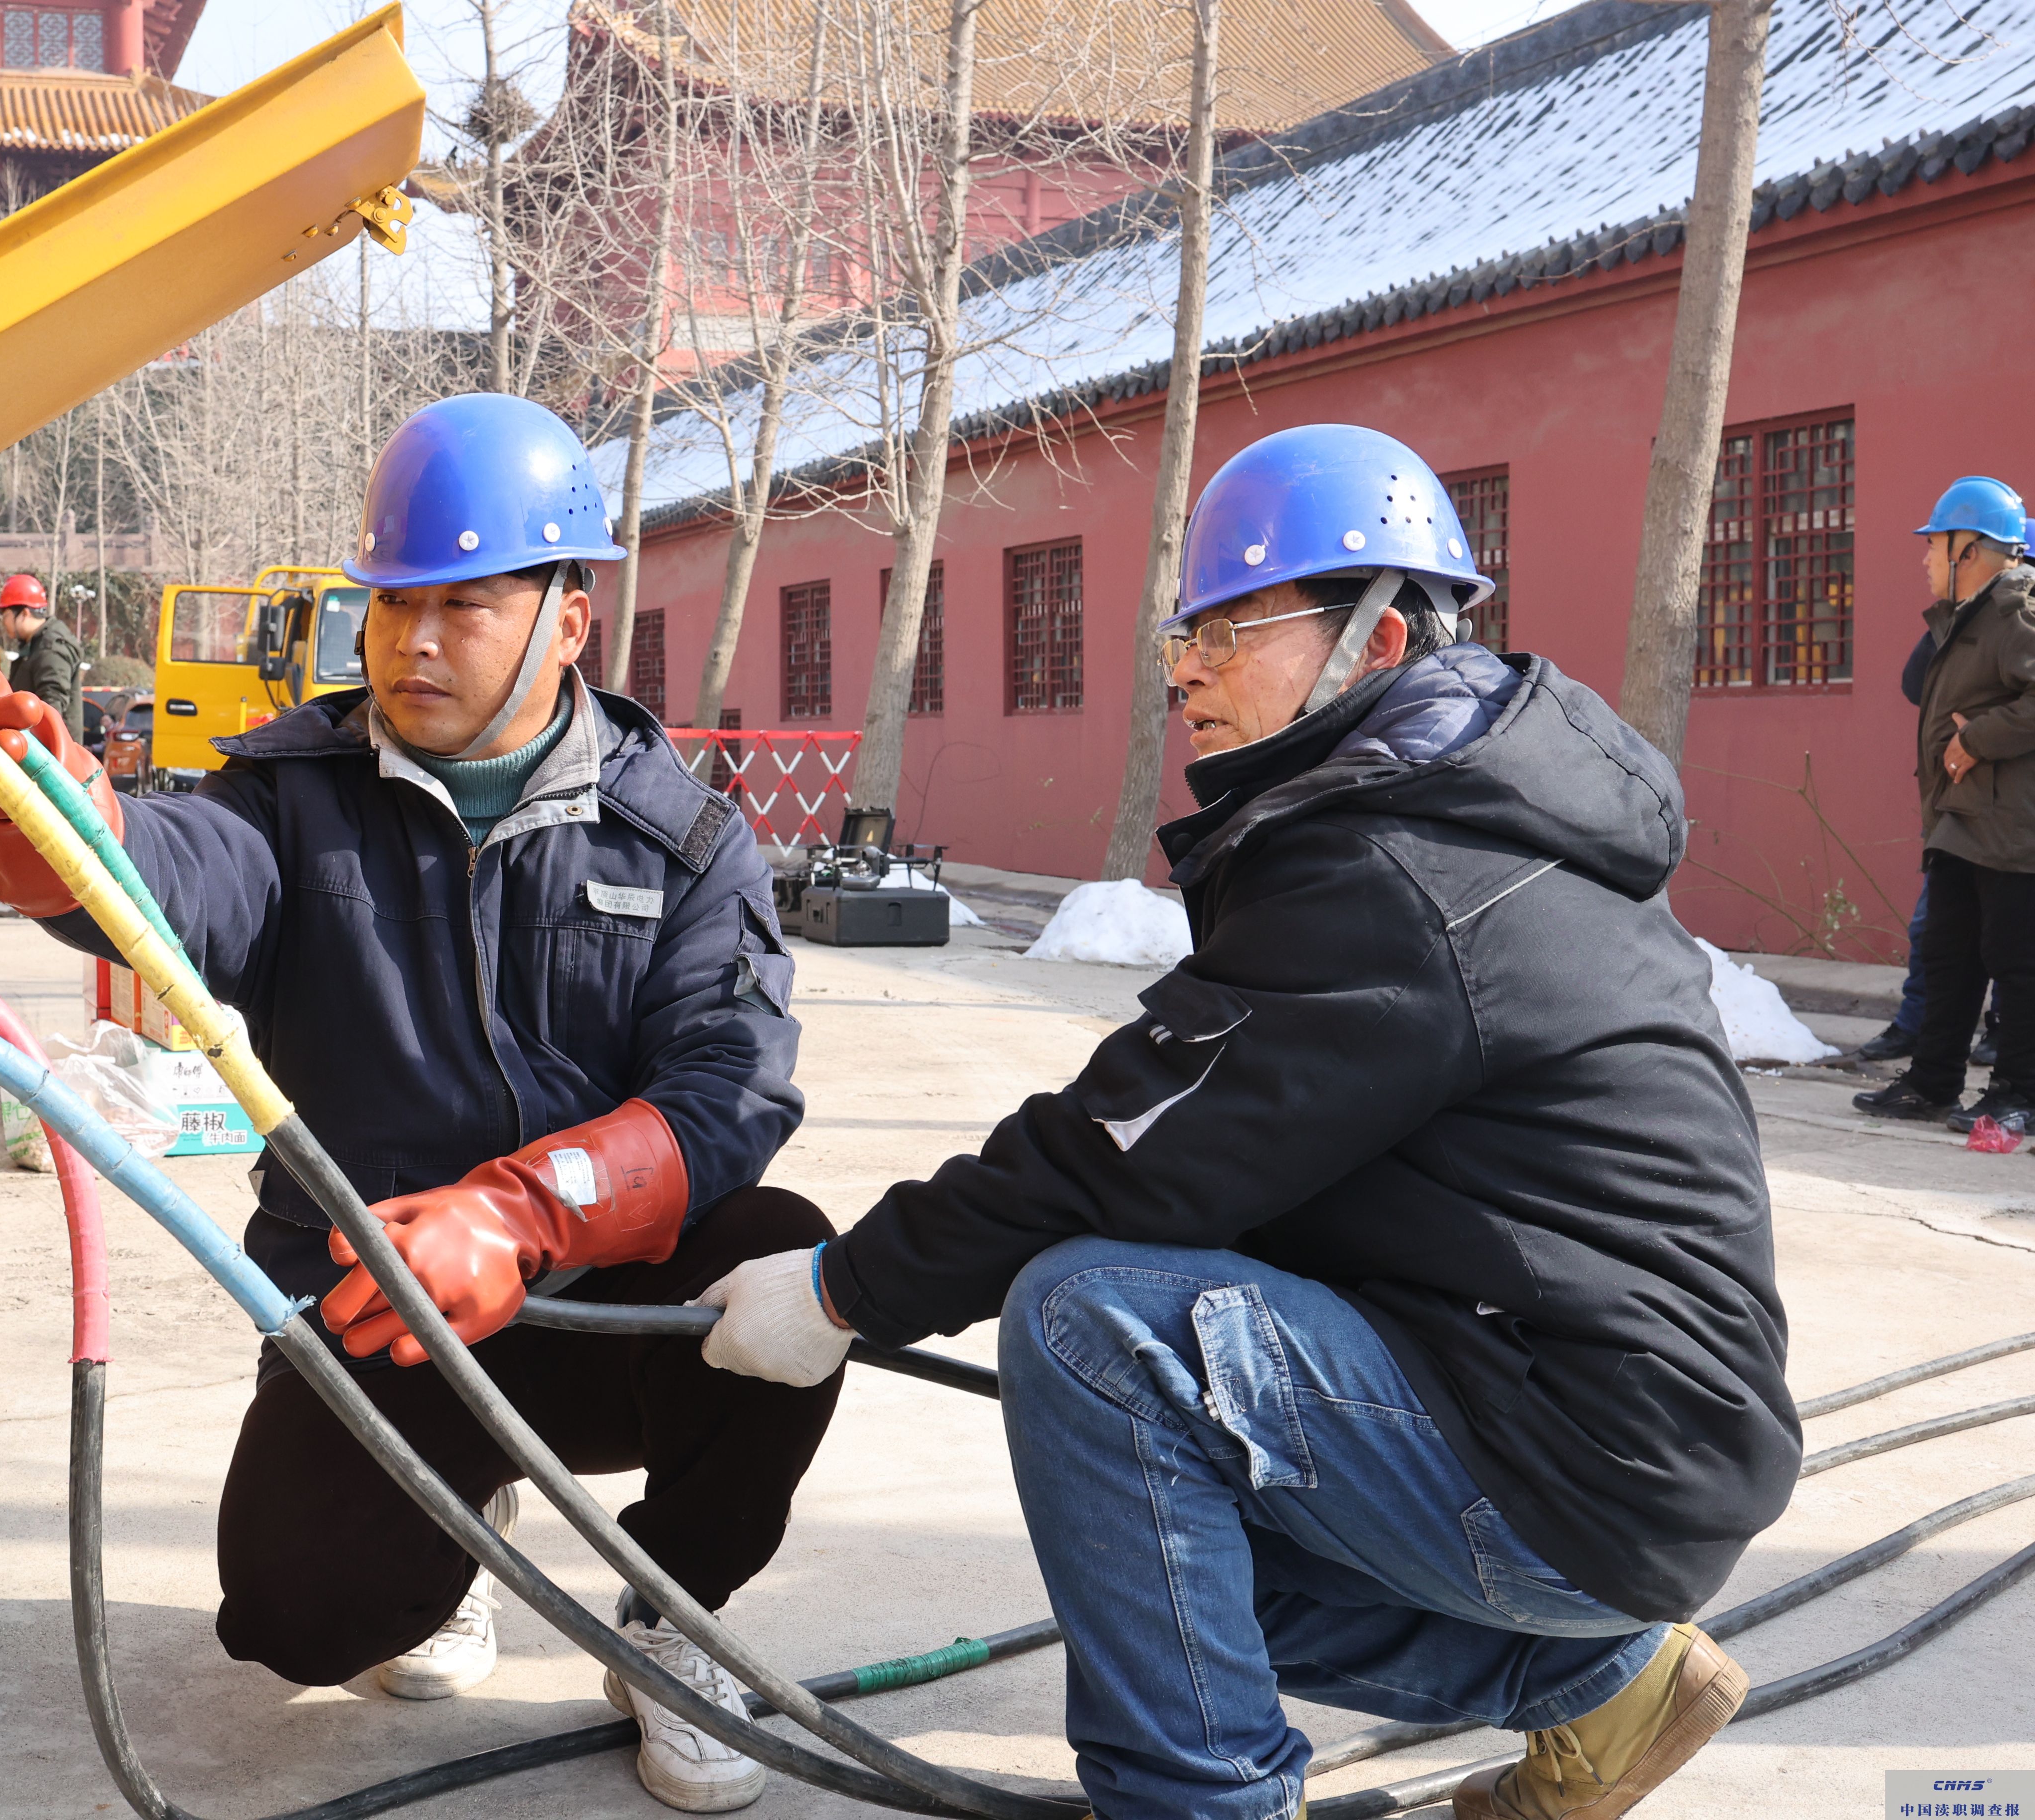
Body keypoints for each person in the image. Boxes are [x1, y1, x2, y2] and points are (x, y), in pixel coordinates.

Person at [694, 425, 1800, 1820]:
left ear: (1381, 642)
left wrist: (845, 1290)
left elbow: (1123, 1153)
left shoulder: (1408, 872)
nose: (1187, 670)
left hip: (1584, 1450)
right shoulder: (1439, 819)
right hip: (1604, 1429)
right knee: (1151, 1561)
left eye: (1232, 629)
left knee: (1095, 1324)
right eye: (1184, 634)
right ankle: (1606, 1688)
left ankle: (1198, 1803)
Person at [0, 394, 824, 1815]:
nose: (415, 643)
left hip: (607, 1315)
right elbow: (173, 879)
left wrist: (519, 1215)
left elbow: (729, 1093)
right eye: (393, 605)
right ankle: (454, 1544)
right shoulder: (295, 799)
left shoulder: (684, 842)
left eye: (465, 605)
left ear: (569, 622)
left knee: (786, 1250)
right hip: (381, 1312)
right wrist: (51, 818)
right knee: (296, 1625)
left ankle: (672, 1623)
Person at [1854, 477, 2035, 1134]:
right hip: (1964, 820)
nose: (1926, 559)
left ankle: (2020, 1092)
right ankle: (1933, 1083)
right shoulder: (1971, 615)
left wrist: (1976, 740)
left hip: (2013, 826)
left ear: (1971, 549)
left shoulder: (2018, 605)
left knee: (2016, 961)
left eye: (1935, 546)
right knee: (1950, 954)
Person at [1853, 625, 2003, 1067]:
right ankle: (1917, 1026)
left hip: (2015, 810)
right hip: (1959, 805)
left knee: (2011, 937)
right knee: (1932, 930)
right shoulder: (1968, 616)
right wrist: (1952, 622)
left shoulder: (2018, 619)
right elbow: (1916, 683)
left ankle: (2006, 1030)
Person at [0, 571, 84, 728]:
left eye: (6, 616)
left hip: (49, 751)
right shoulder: (36, 645)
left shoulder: (51, 649)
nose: (3, 623)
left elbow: (52, 710)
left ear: (24, 614)